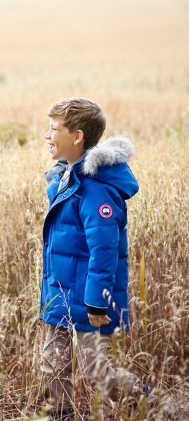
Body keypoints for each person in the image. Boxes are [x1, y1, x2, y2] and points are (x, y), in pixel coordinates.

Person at [40, 98, 151, 420]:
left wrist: (98, 302)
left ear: (76, 137)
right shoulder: (66, 179)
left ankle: (156, 403)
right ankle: (60, 416)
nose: (47, 135)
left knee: (96, 371)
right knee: (52, 362)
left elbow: (104, 250)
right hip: (59, 291)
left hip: (90, 298)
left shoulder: (96, 189)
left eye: (54, 129)